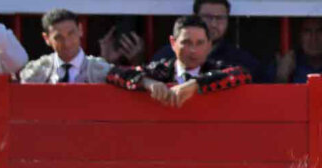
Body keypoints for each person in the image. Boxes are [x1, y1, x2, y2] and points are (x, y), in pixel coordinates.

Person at [106, 15, 251, 108]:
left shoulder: (214, 69)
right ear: (173, 43)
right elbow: (114, 74)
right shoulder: (160, 70)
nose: (193, 50)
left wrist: (196, 84)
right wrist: (146, 82)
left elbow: (242, 74)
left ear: (209, 45)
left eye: (200, 43)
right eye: (186, 42)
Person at [150, 0, 265, 81]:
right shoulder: (168, 55)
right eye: (208, 17)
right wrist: (148, 82)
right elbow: (142, 74)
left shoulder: (239, 60)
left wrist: (196, 84)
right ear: (195, 16)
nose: (214, 24)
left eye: (220, 18)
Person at [19, 9, 112, 84]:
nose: (67, 43)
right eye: (58, 38)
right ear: (46, 38)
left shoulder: (103, 73)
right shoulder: (36, 73)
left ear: (80, 30)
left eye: (71, 34)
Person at [275, 17, 322, 83]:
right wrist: (281, 78)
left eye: (320, 31)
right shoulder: (287, 63)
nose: (314, 38)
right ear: (299, 36)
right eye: (307, 31)